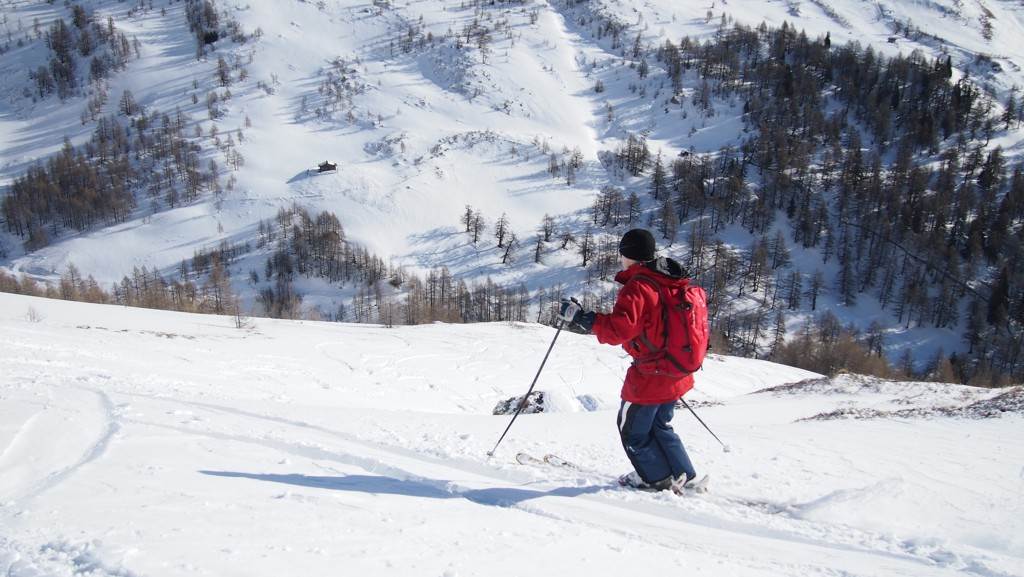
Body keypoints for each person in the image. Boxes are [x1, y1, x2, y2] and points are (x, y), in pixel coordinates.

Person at [558, 228, 699, 494]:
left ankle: (654, 479)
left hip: (651, 375)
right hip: (677, 371)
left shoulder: (640, 286)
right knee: (660, 425)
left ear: (627, 254)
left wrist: (582, 319)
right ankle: (684, 476)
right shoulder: (669, 280)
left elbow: (620, 330)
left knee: (632, 430)